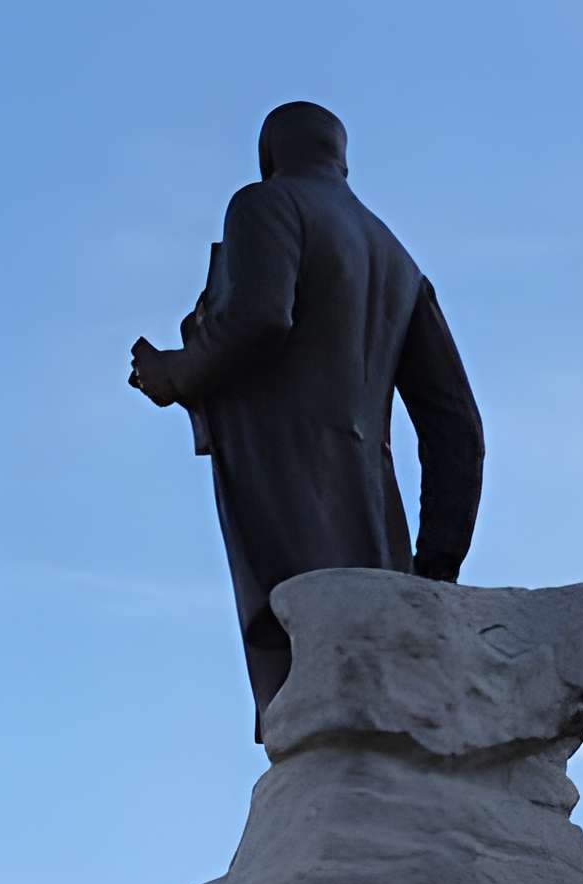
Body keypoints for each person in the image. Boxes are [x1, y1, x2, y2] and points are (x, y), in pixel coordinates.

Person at [129, 100, 484, 729]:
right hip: (372, 521)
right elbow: (457, 426)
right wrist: (434, 573)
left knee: (310, 686)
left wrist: (176, 372)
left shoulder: (265, 204)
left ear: (267, 156)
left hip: (287, 488)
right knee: (368, 689)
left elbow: (261, 316)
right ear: (342, 161)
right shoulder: (399, 260)